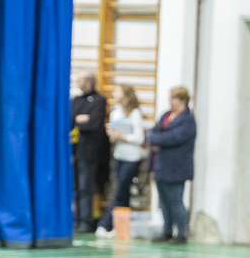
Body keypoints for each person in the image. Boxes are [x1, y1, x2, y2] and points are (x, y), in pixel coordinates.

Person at [95, 84, 147, 237]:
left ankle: (105, 224)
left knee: (120, 190)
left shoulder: (135, 113)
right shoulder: (115, 113)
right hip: (119, 156)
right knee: (123, 194)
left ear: (125, 94)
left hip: (132, 158)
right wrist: (112, 135)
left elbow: (139, 138)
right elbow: (113, 138)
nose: (114, 93)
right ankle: (120, 228)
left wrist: (122, 136)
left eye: (118, 91)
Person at [147, 86, 196, 245]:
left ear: (182, 100)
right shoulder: (165, 115)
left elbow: (173, 138)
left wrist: (156, 139)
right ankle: (166, 231)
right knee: (164, 201)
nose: (170, 101)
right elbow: (152, 132)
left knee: (176, 201)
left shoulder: (188, 121)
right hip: (160, 165)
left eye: (173, 98)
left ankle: (181, 233)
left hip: (177, 167)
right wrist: (154, 138)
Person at [72, 70, 110, 234]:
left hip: (90, 152)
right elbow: (71, 119)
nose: (77, 82)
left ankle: (85, 222)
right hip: (75, 150)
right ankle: (76, 220)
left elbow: (93, 123)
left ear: (88, 82)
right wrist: (79, 119)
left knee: (85, 188)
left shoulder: (99, 100)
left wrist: (81, 120)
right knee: (75, 188)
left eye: (80, 79)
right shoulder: (76, 100)